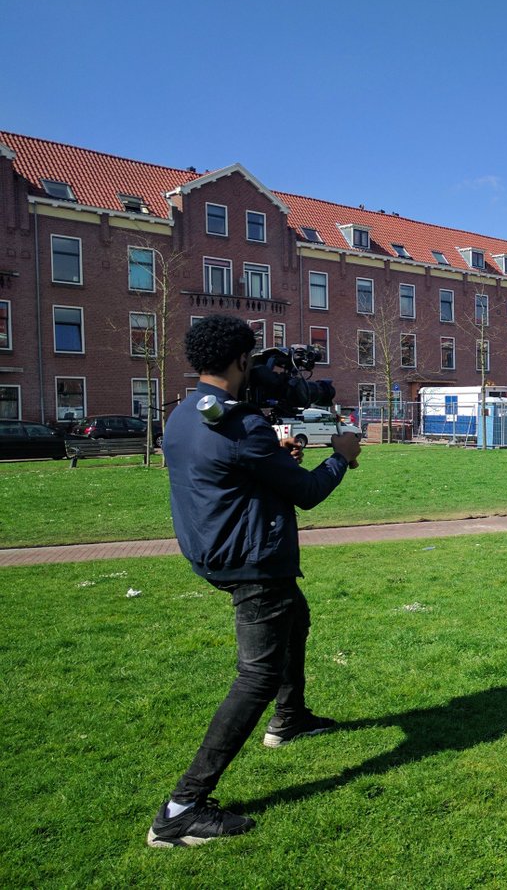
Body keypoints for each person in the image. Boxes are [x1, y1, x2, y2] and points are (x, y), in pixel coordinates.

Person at [147, 315, 361, 848]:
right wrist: (341, 457)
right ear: (243, 361)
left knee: (297, 617)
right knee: (256, 676)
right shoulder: (242, 426)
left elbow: (232, 475)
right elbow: (307, 493)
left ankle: (290, 719)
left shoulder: (183, 414)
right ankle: (181, 808)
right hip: (252, 561)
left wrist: (274, 459)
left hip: (213, 549)